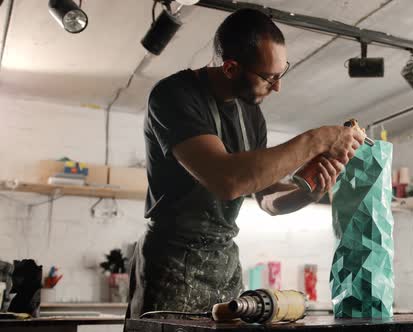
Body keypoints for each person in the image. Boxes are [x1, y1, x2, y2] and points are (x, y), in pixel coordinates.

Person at [127, 8, 365, 318]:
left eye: (282, 73)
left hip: (225, 261)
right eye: (270, 77)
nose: (277, 86)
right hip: (173, 262)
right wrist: (317, 139)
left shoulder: (253, 116)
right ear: (230, 68)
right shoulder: (173, 96)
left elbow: (266, 199)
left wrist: (307, 194)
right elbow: (228, 181)